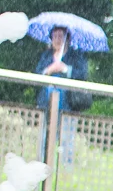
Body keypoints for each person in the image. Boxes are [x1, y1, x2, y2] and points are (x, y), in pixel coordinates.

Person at [35, 24, 89, 164]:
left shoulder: (75, 56)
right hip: (46, 104)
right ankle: (42, 165)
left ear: (67, 39)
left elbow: (82, 74)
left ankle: (64, 169)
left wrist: (65, 68)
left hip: (67, 105)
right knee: (44, 138)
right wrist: (49, 69)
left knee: (67, 140)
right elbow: (37, 74)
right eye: (55, 36)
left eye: (61, 36)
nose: (57, 39)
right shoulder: (46, 56)